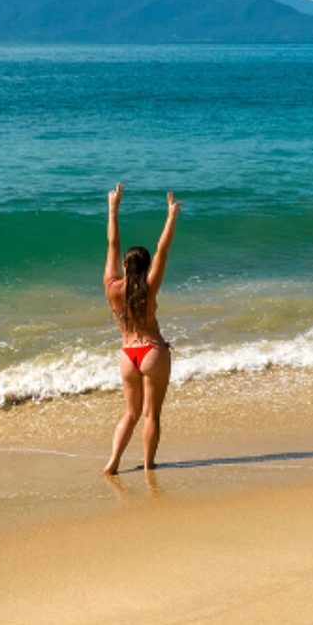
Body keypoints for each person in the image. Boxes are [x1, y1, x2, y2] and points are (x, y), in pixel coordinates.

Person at [102, 183, 179, 475]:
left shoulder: (112, 287)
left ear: (123, 265)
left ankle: (113, 462)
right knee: (151, 414)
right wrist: (170, 216)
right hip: (153, 352)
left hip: (128, 355)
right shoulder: (150, 285)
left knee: (130, 413)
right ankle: (148, 465)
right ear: (146, 268)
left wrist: (113, 208)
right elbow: (163, 248)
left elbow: (112, 244)